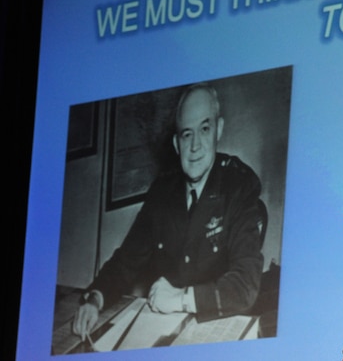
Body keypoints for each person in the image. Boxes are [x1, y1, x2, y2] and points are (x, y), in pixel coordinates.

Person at [73, 83, 264, 339]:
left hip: (216, 330)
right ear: (176, 143)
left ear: (218, 130)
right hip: (164, 330)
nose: (195, 146)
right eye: (187, 134)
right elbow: (125, 262)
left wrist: (182, 299)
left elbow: (245, 286)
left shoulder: (238, 186)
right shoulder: (162, 192)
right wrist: (95, 298)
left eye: (204, 129)